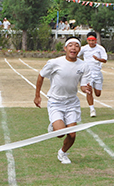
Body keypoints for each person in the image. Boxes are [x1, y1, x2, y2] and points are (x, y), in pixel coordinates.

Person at [34, 36, 92, 164]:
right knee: (60, 133)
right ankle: (55, 126)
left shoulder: (83, 65)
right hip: (56, 102)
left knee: (72, 134)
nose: (73, 48)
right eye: (70, 45)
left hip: (72, 103)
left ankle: (63, 153)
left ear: (79, 50)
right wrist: (37, 95)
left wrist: (86, 89)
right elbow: (41, 75)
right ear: (65, 48)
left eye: (76, 46)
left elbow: (82, 85)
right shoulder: (54, 62)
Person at [78, 32, 107, 117]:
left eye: (92, 40)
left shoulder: (100, 49)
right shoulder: (84, 48)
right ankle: (92, 110)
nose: (91, 42)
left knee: (98, 94)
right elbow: (76, 55)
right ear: (87, 40)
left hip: (97, 73)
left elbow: (105, 60)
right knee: (89, 91)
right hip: (88, 74)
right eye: (89, 40)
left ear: (96, 40)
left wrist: (98, 59)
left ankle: (95, 86)